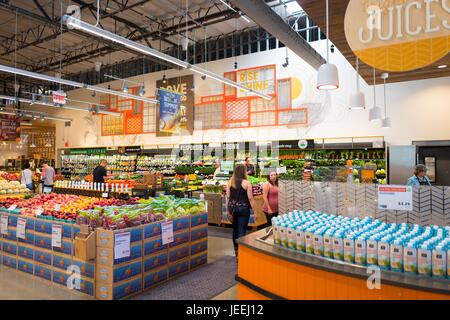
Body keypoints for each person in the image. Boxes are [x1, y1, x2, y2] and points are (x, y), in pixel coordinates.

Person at [226, 164, 257, 262]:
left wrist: (228, 211)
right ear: (243, 171)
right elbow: (250, 198)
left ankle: (236, 253)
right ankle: (241, 254)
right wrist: (255, 212)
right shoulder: (247, 183)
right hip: (243, 209)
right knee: (241, 231)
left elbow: (227, 197)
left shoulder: (230, 182)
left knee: (235, 230)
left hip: (233, 209)